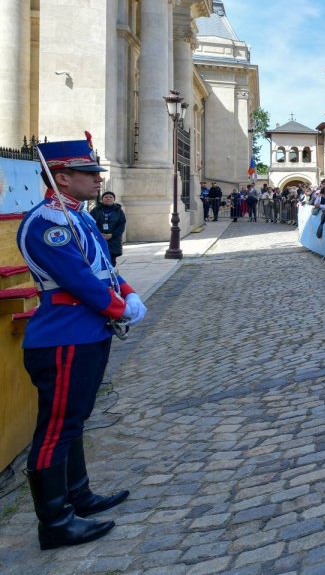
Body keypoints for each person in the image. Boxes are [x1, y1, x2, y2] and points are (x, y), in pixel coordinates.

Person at [18, 136, 148, 549]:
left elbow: (104, 268)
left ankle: (78, 495)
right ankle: (55, 522)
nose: (98, 179)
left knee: (75, 420)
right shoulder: (47, 223)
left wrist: (127, 291)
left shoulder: (81, 217)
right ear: (62, 177)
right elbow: (78, 281)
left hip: (86, 332)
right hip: (63, 336)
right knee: (57, 428)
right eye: (88, 173)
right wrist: (117, 307)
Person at [88, 192, 126, 263]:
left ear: (114, 199)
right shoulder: (96, 210)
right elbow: (90, 223)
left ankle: (112, 273)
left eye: (110, 197)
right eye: (106, 197)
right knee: (100, 258)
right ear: (102, 199)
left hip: (114, 240)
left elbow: (121, 225)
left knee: (112, 260)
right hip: (99, 238)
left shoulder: (118, 211)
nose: (108, 198)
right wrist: (99, 234)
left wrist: (112, 235)